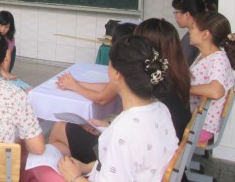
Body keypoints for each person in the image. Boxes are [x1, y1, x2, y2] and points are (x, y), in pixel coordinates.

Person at [50, 18, 191, 164]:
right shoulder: (168, 79)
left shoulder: (146, 89)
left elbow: (104, 99)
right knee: (62, 141)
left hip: (129, 157)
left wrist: (79, 173)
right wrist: (108, 126)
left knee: (59, 130)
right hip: (160, 156)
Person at [57, 36, 178, 182]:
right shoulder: (161, 109)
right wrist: (86, 167)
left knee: (45, 167)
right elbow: (139, 162)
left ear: (117, 74)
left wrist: (74, 177)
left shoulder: (124, 129)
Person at [189, 11, 235, 144]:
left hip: (199, 127)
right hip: (193, 120)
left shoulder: (218, 59)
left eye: (193, 27)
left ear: (205, 34)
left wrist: (185, 88)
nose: (190, 31)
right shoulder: (204, 56)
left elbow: (216, 91)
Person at [172, 0, 207, 65]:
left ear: (187, 14)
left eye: (176, 12)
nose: (175, 16)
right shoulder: (203, 33)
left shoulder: (192, 38)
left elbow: (181, 66)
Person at [0, 10, 17, 79]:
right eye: (1, 26)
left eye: (6, 27)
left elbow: (7, 58)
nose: (3, 29)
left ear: (10, 27)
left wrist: (5, 73)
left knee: (12, 49)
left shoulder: (10, 39)